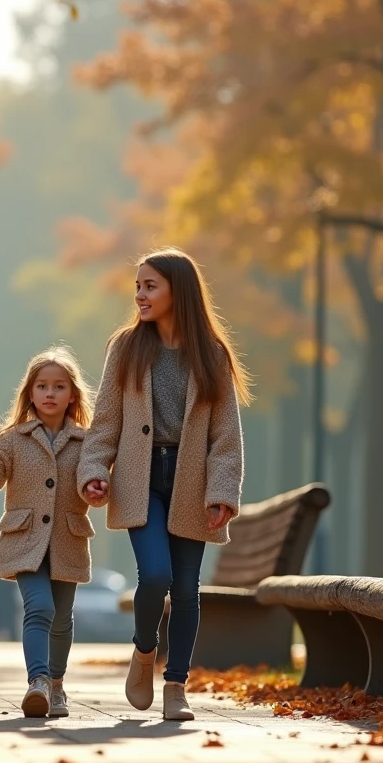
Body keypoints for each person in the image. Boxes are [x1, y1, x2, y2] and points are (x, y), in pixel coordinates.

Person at [77, 248, 250, 721]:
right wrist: (94, 471)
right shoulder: (127, 347)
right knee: (156, 576)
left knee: (188, 589)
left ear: (179, 290)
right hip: (142, 478)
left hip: (192, 482)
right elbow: (105, 421)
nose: (140, 295)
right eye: (137, 286)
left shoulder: (211, 354)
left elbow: (226, 435)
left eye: (150, 286)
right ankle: (144, 651)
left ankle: (176, 687)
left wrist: (222, 492)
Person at [0, 346, 96, 718]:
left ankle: (58, 685)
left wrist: (98, 487)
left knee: (62, 618)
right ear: (30, 393)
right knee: (40, 607)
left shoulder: (87, 443)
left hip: (68, 540)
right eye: (42, 386)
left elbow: (95, 483)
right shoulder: (13, 439)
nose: (50, 393)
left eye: (59, 386)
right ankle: (38, 682)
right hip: (25, 542)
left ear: (72, 395)